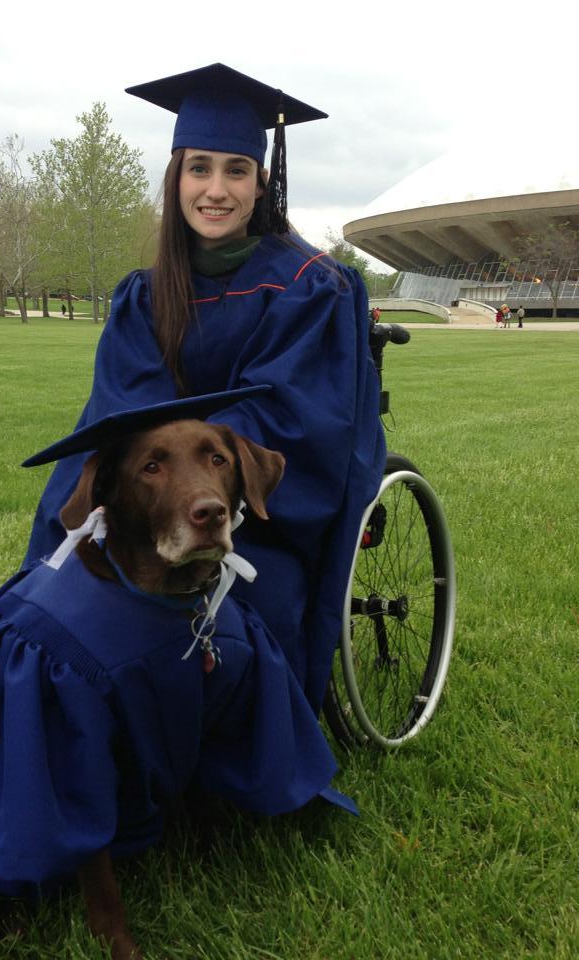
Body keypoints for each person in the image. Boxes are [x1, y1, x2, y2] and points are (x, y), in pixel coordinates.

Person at [23, 63, 386, 713]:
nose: (215, 189)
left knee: (257, 601)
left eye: (235, 170)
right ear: (176, 178)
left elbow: (293, 414)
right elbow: (123, 409)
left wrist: (201, 479)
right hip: (155, 500)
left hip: (252, 510)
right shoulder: (144, 293)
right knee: (56, 587)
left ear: (261, 182)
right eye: (199, 168)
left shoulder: (311, 285)